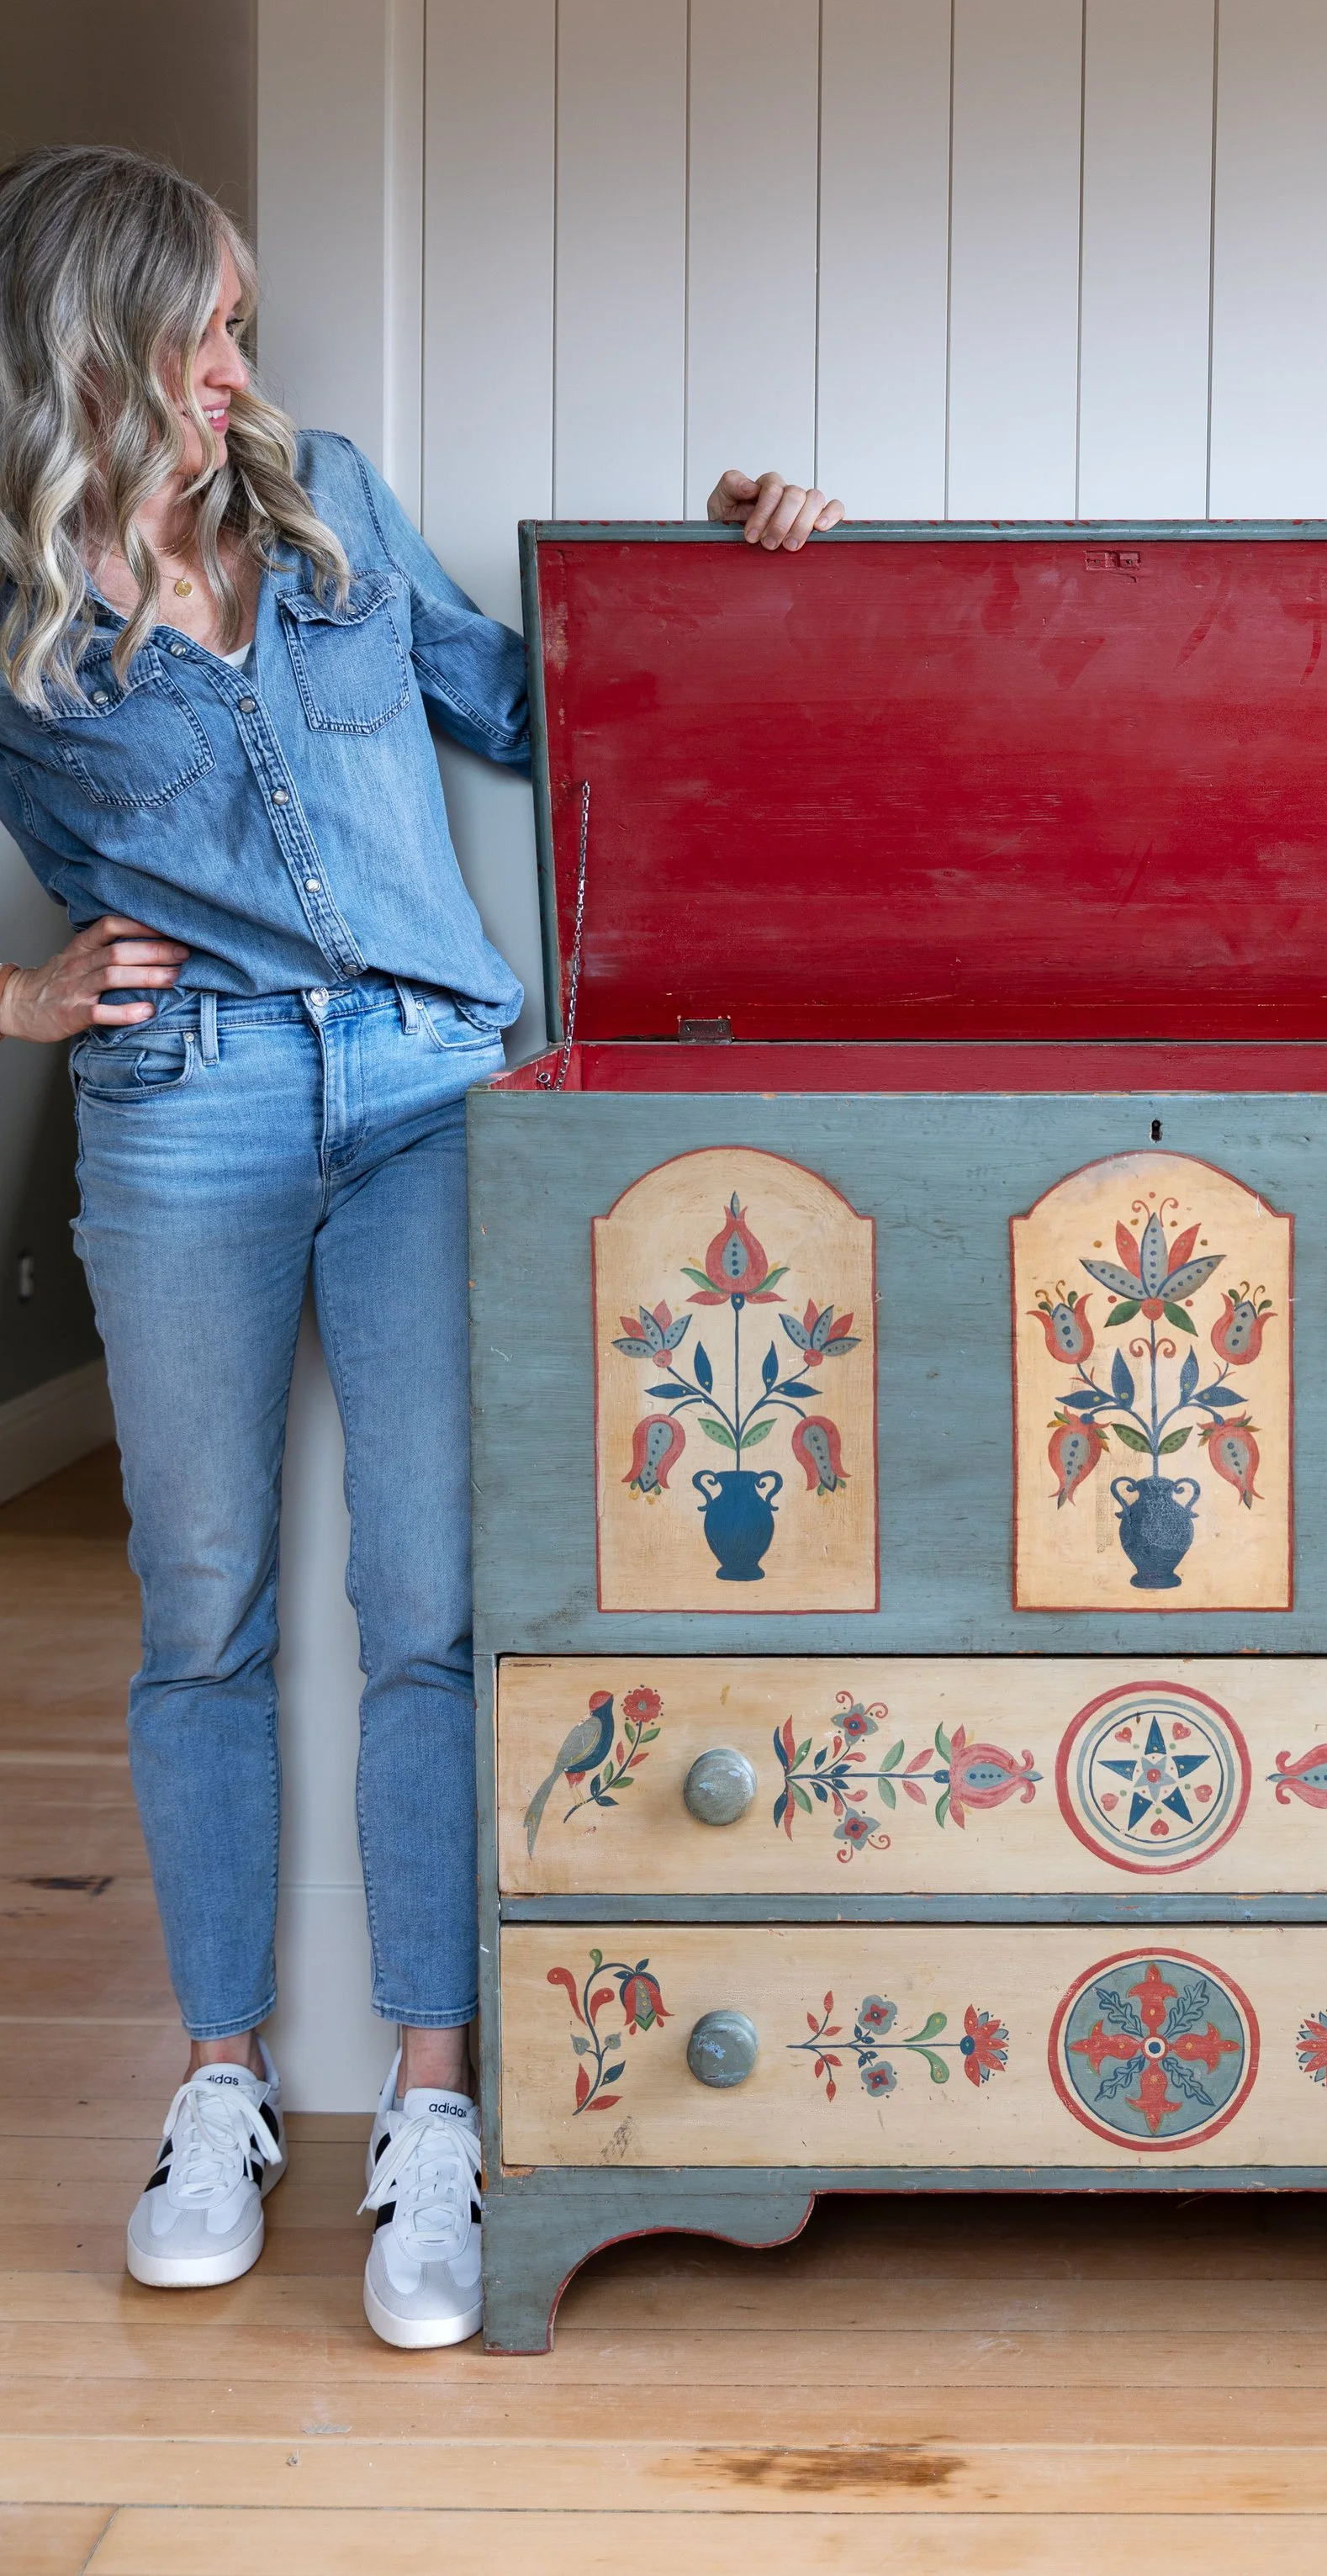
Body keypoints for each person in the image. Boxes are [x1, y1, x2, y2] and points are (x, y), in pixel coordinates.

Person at [0, 144, 839, 2346]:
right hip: (184, 1111)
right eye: (202, 327)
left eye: (244, 321)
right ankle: (218, 2092)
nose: (238, 366)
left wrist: (726, 573)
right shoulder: (16, 603)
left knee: (431, 1609)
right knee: (199, 1610)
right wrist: (15, 993)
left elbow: (540, 709)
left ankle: (434, 2118)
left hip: (433, 1095)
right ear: (91, 343)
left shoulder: (331, 502)